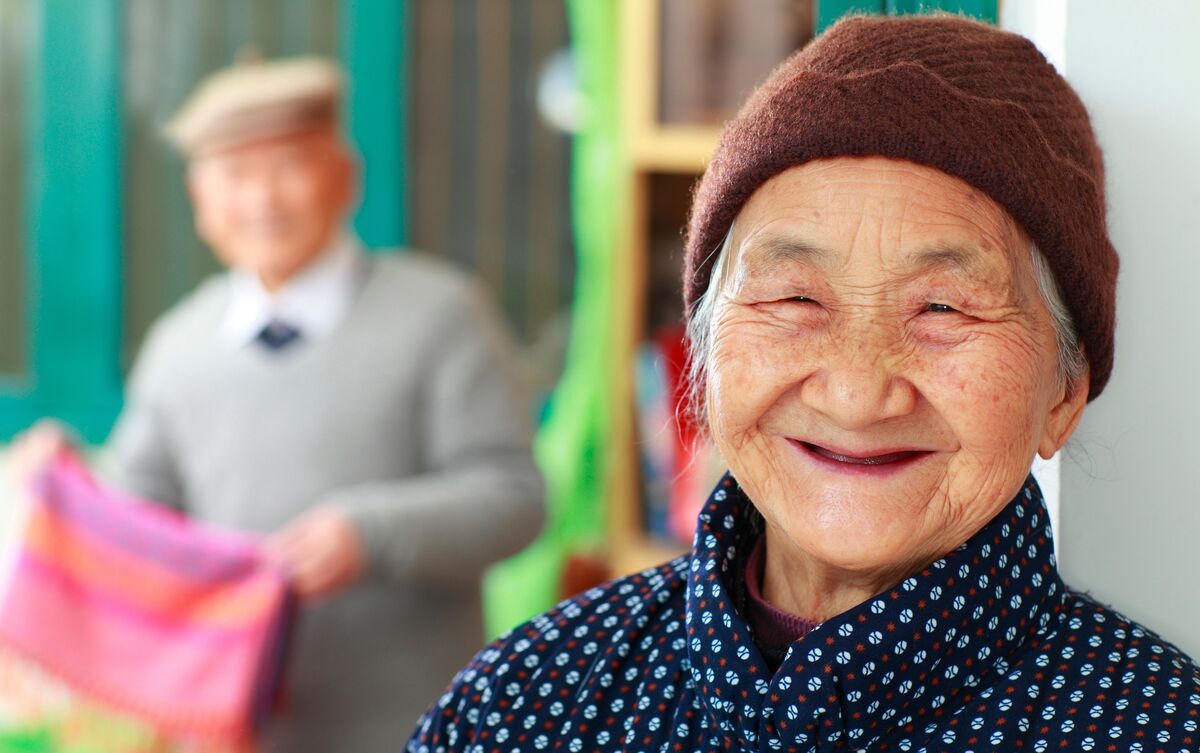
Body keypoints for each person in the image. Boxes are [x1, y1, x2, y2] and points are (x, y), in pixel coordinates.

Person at [405, 15, 1200, 753]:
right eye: (794, 298)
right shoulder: (526, 704)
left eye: (944, 307)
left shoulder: (1154, 728)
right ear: (708, 356)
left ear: (1062, 394)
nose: (857, 392)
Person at [13, 55, 544, 752]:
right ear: (200, 201)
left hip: (416, 725)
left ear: (344, 177)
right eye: (235, 175)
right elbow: (140, 517)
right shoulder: (178, 346)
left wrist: (369, 532)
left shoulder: (441, 315)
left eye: (288, 166)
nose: (262, 199)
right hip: (231, 733)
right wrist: (66, 473)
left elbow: (515, 500)